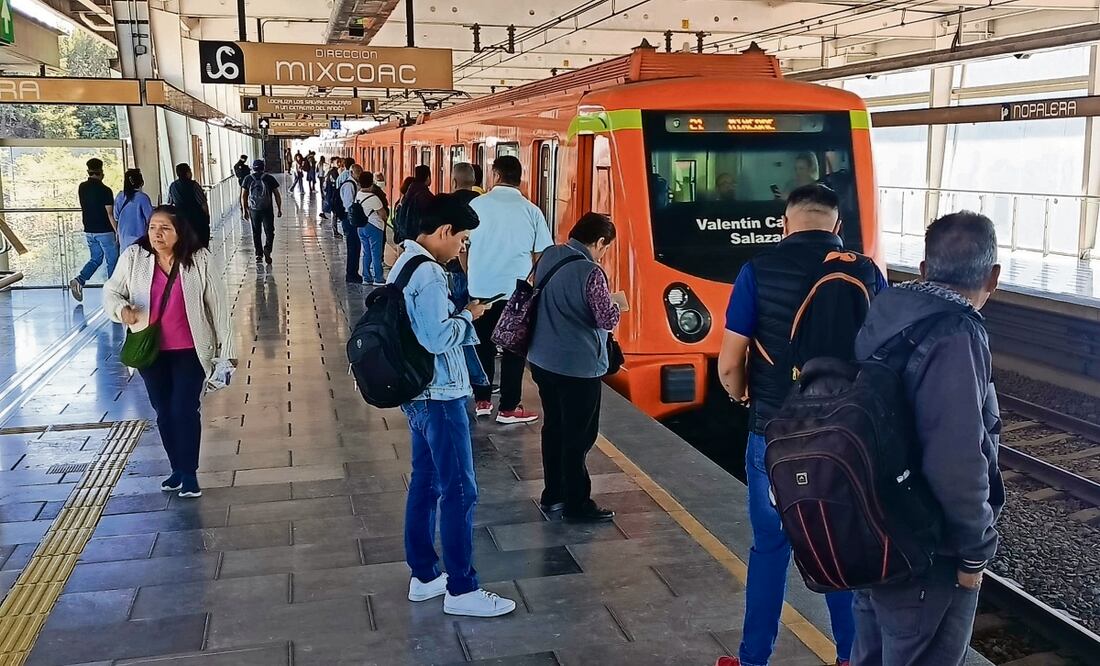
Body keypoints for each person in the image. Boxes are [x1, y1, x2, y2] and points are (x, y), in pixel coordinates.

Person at [716, 184, 887, 666]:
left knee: (770, 548)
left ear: (784, 224)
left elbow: (730, 363)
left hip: (773, 434)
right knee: (839, 545)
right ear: (837, 226)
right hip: (844, 437)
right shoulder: (866, 271)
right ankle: (850, 657)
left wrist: (741, 394)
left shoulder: (757, 269)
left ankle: (753, 659)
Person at [850, 212, 1004, 666]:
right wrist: (974, 552)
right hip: (926, 549)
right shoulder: (957, 333)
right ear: (993, 276)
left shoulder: (886, 312)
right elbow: (956, 459)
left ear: (923, 268)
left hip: (872, 529)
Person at [393, 193, 516, 619]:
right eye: (462, 239)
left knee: (426, 485)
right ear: (444, 231)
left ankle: (425, 576)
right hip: (440, 396)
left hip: (419, 396)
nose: (462, 247)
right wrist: (469, 316)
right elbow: (437, 338)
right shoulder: (429, 273)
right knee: (461, 491)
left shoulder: (405, 262)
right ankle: (462, 589)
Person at [103, 205, 235, 499]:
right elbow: (111, 290)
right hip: (151, 351)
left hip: (190, 350)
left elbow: (219, 306)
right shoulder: (135, 257)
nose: (157, 234)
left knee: (184, 409)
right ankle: (176, 468)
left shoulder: (199, 259)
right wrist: (121, 309)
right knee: (163, 411)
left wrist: (228, 351)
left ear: (179, 232)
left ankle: (189, 473)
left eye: (165, 228)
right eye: (152, 227)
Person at [528, 212, 623, 523]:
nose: (603, 254)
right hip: (577, 367)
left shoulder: (549, 255)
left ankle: (553, 495)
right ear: (599, 242)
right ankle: (577, 503)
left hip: (543, 361)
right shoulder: (590, 271)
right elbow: (605, 319)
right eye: (605, 248)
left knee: (554, 428)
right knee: (578, 436)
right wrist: (617, 306)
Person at [467, 155, 552, 424]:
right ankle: (508, 407)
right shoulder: (531, 210)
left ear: (495, 175)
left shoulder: (475, 205)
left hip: (480, 290)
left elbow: (462, 246)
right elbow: (541, 255)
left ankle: (482, 400)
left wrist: (471, 272)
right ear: (519, 178)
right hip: (516, 293)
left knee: (482, 346)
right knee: (513, 350)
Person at [69, 158, 118, 302]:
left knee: (96, 258)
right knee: (112, 260)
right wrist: (117, 231)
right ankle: (113, 291)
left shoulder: (82, 187)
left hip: (89, 229)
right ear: (102, 172)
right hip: (105, 230)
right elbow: (110, 214)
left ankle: (80, 279)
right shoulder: (105, 190)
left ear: (88, 171)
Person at [241, 159, 283, 265]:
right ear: (263, 167)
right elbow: (277, 194)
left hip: (254, 210)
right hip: (267, 209)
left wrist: (244, 210)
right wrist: (279, 208)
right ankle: (267, 249)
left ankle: (258, 254)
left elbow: (243, 196)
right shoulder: (269, 178)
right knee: (269, 231)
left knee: (256, 232)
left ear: (253, 168)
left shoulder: (248, 179)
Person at [353, 171, 388, 285]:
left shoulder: (358, 194)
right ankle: (378, 278)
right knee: (376, 253)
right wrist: (385, 221)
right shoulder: (374, 198)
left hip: (361, 227)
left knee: (366, 252)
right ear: (371, 183)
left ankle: (366, 277)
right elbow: (383, 214)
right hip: (374, 227)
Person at [168, 164, 211, 248]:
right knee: (200, 244)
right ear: (187, 173)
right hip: (197, 219)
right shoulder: (194, 185)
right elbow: (203, 203)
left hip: (181, 220)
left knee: (185, 244)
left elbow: (170, 203)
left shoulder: (173, 186)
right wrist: (207, 216)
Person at [114, 169, 153, 251]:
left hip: (123, 237)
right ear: (141, 182)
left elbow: (116, 216)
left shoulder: (119, 196)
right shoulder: (143, 198)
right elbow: (150, 218)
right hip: (139, 238)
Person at [341, 164, 365, 283]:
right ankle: (351, 274)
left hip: (352, 218)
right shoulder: (349, 185)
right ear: (351, 173)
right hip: (349, 219)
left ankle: (354, 272)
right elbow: (348, 204)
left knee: (356, 246)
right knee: (352, 247)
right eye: (357, 172)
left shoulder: (355, 184)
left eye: (361, 172)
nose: (359, 174)